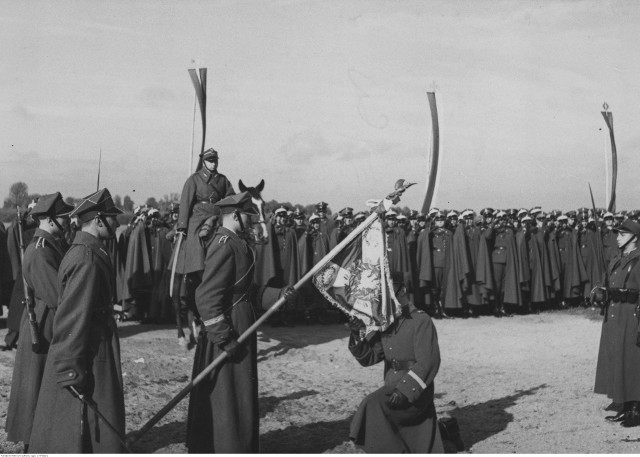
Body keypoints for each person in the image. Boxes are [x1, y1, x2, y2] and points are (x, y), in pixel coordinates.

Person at [186, 192, 297, 452]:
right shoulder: (225, 244)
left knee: (238, 392)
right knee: (226, 394)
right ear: (236, 215)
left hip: (241, 323)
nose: (253, 220)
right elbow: (206, 297)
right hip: (228, 329)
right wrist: (224, 337)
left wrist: (278, 296)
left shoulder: (238, 243)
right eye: (249, 215)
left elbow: (249, 289)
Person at [29, 189, 126, 453]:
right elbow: (72, 317)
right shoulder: (87, 259)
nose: (117, 223)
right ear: (98, 221)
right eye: (111, 218)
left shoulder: (89, 251)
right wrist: (69, 368)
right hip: (91, 350)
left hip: (97, 343)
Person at [5, 193, 73, 451]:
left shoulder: (51, 244)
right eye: (63, 217)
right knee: (35, 386)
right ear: (50, 219)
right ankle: (32, 440)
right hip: (43, 325)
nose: (66, 221)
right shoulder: (40, 251)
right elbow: (57, 295)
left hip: (47, 321)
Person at [348, 279, 444, 453]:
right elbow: (368, 357)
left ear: (402, 292)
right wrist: (357, 333)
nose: (383, 300)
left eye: (387, 294)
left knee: (372, 403)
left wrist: (405, 390)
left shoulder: (421, 320)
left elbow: (429, 362)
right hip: (392, 386)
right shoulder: (388, 322)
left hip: (416, 392)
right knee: (376, 404)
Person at [593, 219, 640, 427]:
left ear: (635, 237)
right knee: (619, 358)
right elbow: (608, 284)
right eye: (617, 233)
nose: (618, 237)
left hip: (631, 315)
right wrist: (600, 293)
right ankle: (625, 404)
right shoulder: (617, 259)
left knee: (633, 361)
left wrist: (618, 292)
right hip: (615, 315)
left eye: (622, 234)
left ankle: (636, 408)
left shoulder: (638, 260)